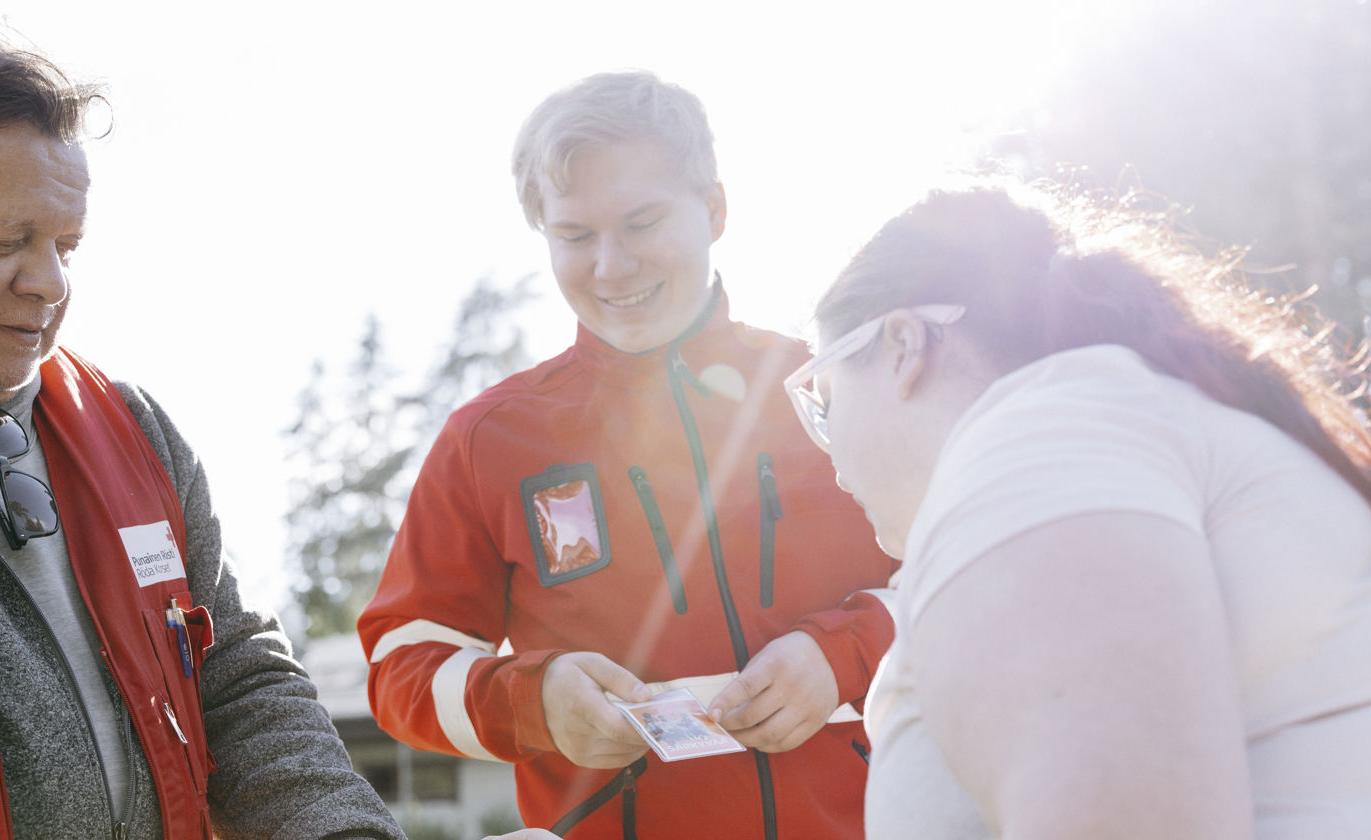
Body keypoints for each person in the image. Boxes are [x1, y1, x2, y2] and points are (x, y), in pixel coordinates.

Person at [0, 18, 403, 840]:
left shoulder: (136, 434)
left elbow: (237, 680)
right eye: (6, 242)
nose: (50, 283)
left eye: (67, 245)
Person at [357, 70, 896, 839]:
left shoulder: (842, 386)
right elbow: (401, 666)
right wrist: (532, 701)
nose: (610, 267)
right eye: (574, 236)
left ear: (714, 209)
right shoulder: (487, 439)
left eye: (641, 223)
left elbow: (964, 585)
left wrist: (846, 656)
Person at [788, 180, 1371, 838]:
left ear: (902, 345)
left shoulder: (1038, 444)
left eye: (826, 403)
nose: (833, 462)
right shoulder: (1110, 431)